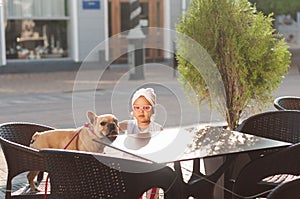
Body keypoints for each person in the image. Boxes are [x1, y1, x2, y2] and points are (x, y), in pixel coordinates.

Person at [119, 87, 162, 199]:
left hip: (149, 168)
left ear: (153, 110)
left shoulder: (157, 128)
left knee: (153, 190)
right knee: (133, 192)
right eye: (137, 107)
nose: (141, 111)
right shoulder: (128, 125)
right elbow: (113, 127)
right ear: (132, 111)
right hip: (130, 167)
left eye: (146, 108)